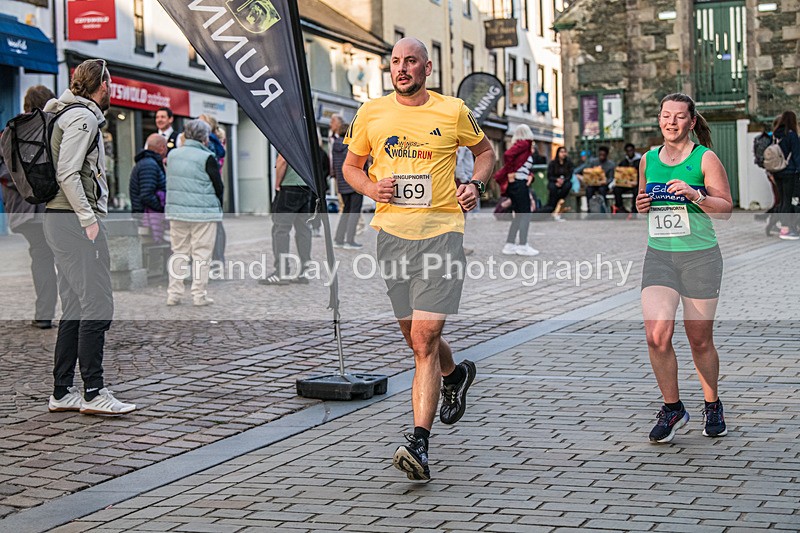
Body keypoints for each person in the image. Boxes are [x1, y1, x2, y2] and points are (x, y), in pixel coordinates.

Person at [342, 37, 494, 481]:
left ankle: (419, 443)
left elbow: (485, 153)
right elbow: (351, 167)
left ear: (428, 67)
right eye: (395, 62)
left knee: (424, 339)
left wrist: (476, 185)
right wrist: (371, 188)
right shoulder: (371, 112)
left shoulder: (453, 111)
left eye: (410, 61)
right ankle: (455, 374)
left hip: (441, 236)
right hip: (391, 237)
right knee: (415, 339)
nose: (401, 68)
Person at [635, 93, 733, 443]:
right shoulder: (647, 159)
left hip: (700, 257)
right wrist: (642, 203)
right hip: (660, 255)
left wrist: (696, 196)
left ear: (691, 122)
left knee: (699, 340)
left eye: (679, 117)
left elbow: (725, 209)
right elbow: (642, 200)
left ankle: (712, 403)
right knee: (656, 335)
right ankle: (672, 407)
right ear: (659, 119)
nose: (671, 122)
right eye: (665, 116)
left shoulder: (705, 158)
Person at [43, 59, 135, 415]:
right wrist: (88, 219)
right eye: (109, 83)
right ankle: (94, 392)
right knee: (97, 303)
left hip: (58, 220)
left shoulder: (65, 113)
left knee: (76, 305)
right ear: (102, 85)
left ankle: (62, 390)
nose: (111, 90)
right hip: (74, 222)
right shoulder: (82, 118)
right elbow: (67, 171)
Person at [0, 85, 58, 329]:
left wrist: (24, 185)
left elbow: (4, 171)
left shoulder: (9, 132)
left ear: (25, 104)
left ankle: (43, 313)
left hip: (23, 209)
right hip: (51, 206)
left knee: (41, 257)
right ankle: (68, 313)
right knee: (62, 258)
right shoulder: (55, 128)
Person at [165, 119, 223, 306]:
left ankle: (174, 294)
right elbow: (218, 186)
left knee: (178, 252)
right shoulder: (207, 157)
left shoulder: (173, 155)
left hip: (177, 210)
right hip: (203, 212)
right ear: (204, 137)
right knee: (201, 253)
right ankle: (199, 295)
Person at [260, 153, 315, 285]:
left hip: (289, 185)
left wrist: (277, 185)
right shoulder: (306, 137)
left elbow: (282, 161)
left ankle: (281, 272)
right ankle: (304, 272)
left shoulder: (288, 135)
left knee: (281, 229)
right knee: (304, 230)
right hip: (306, 185)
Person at [496, 125, 539, 256]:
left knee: (519, 215)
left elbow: (521, 164)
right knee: (525, 214)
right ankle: (522, 245)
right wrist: (511, 171)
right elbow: (507, 155)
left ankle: (510, 244)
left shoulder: (521, 144)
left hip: (517, 183)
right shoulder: (526, 143)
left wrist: (529, 175)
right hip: (519, 184)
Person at [333, 120, 363, 249]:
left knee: (346, 211)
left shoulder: (335, 145)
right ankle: (350, 241)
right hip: (354, 181)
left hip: (341, 182)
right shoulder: (351, 146)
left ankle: (338, 239)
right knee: (354, 212)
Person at [770, 111, 800, 240]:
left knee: (782, 200)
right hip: (789, 171)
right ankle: (786, 230)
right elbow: (797, 154)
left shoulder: (776, 134)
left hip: (777, 171)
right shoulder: (792, 135)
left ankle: (783, 227)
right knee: (788, 200)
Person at [542, 146, 574, 220]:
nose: (563, 154)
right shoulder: (553, 163)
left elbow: (569, 175)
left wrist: (563, 181)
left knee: (567, 185)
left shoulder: (569, 163)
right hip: (555, 181)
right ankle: (553, 205)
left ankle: (558, 200)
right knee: (552, 187)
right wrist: (557, 180)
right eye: (561, 152)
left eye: (564, 152)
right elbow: (549, 176)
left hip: (565, 181)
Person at [613, 143, 642, 215]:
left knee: (636, 191)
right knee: (616, 189)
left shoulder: (640, 161)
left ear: (634, 151)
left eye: (631, 150)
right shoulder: (623, 162)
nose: (630, 152)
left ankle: (634, 210)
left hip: (636, 184)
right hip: (625, 184)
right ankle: (620, 207)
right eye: (628, 151)